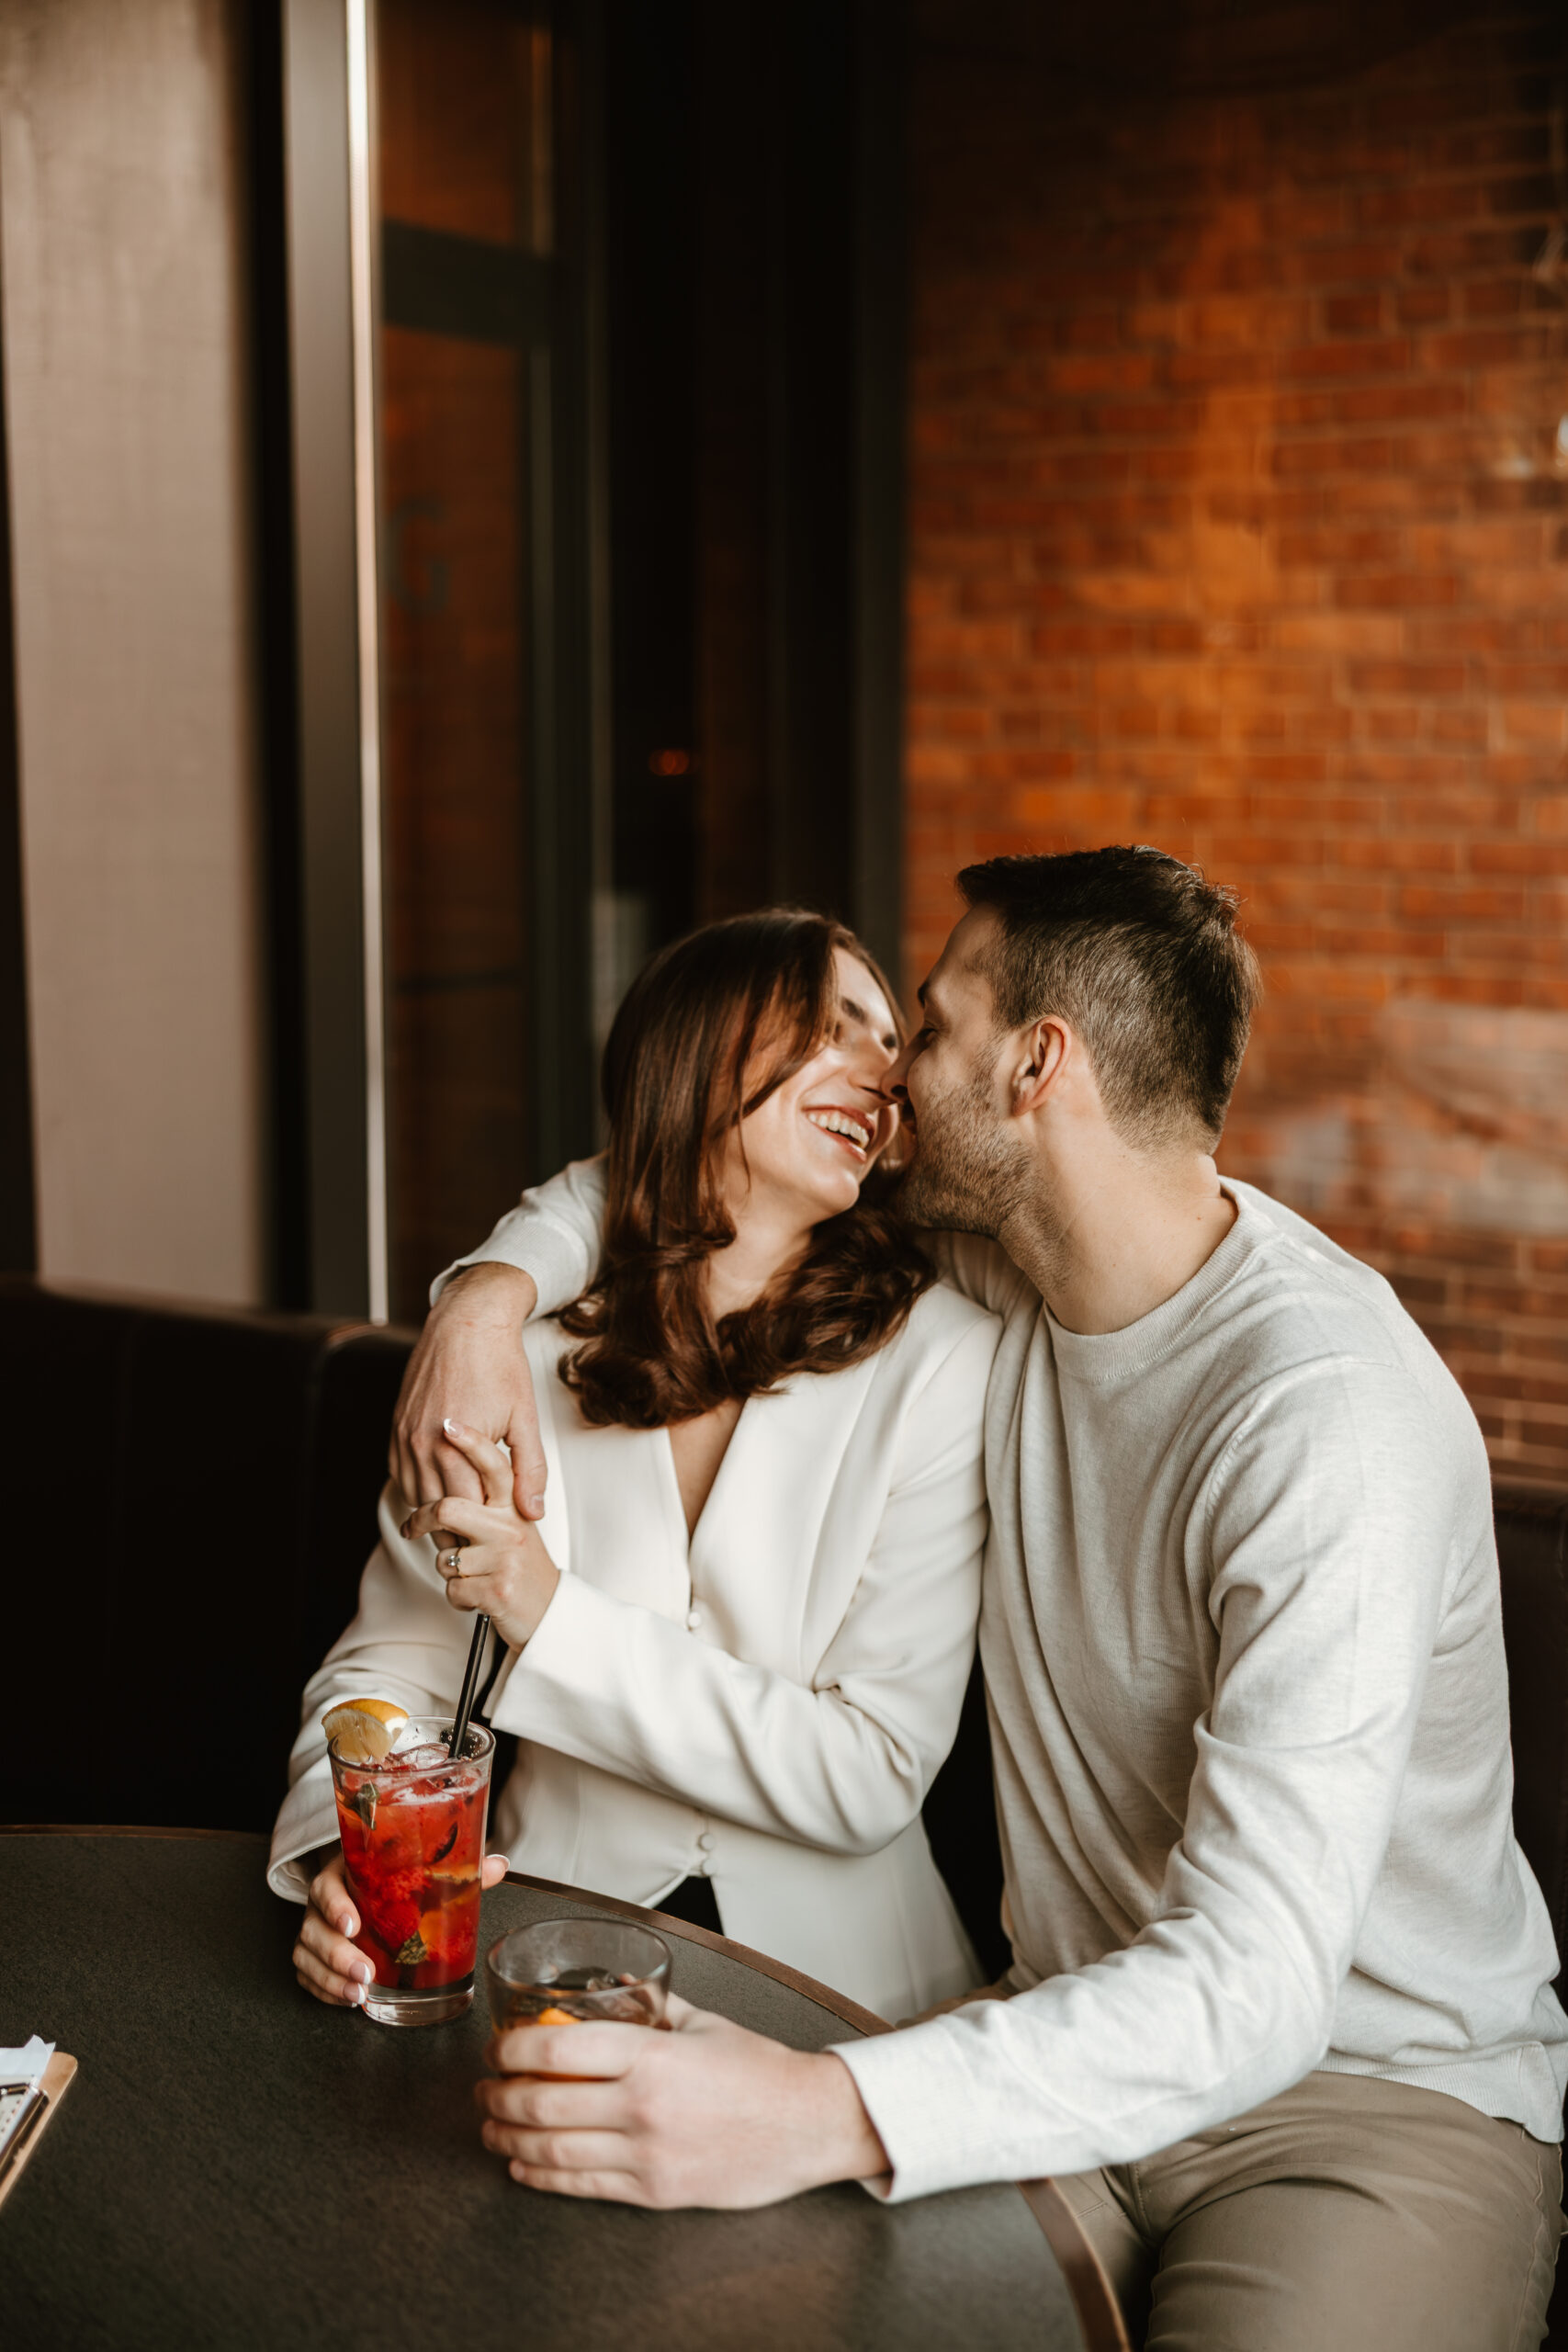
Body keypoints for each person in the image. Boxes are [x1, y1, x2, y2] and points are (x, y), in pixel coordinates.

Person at [395, 848, 1568, 2352]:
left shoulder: (1322, 1420)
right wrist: (483, 1293)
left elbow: (1258, 1986)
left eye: (924, 1028)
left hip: (1353, 2106)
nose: (888, 1078)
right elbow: (679, 1173)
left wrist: (819, 2107)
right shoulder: (1005, 1274)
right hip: (1045, 2054)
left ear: (1034, 1065)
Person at [270, 908, 999, 2024]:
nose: (883, 1074)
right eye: (832, 1025)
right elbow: (390, 1673)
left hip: (847, 2004)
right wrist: (358, 1852)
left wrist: (549, 1616)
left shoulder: (942, 1358)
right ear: (703, 1048)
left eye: (893, 1044)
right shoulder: (516, 1358)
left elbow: (871, 1772)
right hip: (539, 1948)